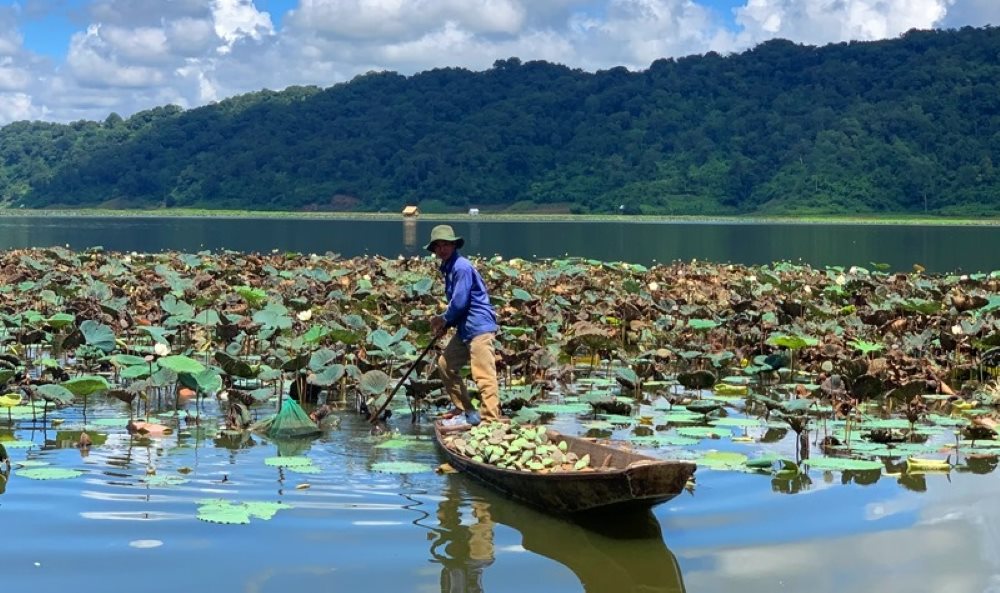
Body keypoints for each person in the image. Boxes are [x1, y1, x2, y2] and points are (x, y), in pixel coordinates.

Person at [425, 224, 501, 426]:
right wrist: (447, 323)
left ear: (453, 245)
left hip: (479, 327)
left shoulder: (461, 267)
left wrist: (443, 319)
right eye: (438, 246)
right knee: (445, 365)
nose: (442, 249)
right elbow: (458, 306)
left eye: (446, 244)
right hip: (465, 328)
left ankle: (491, 421)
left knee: (483, 375)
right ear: (434, 250)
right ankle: (465, 409)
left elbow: (459, 302)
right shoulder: (449, 268)